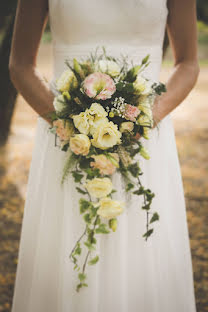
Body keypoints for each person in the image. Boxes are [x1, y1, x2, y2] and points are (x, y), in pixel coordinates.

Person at [9, 0, 199, 311]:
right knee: (67, 247)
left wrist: (145, 118)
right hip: (66, 140)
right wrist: (69, 124)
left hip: (144, 139)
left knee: (141, 247)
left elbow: (189, 63)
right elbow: (19, 64)